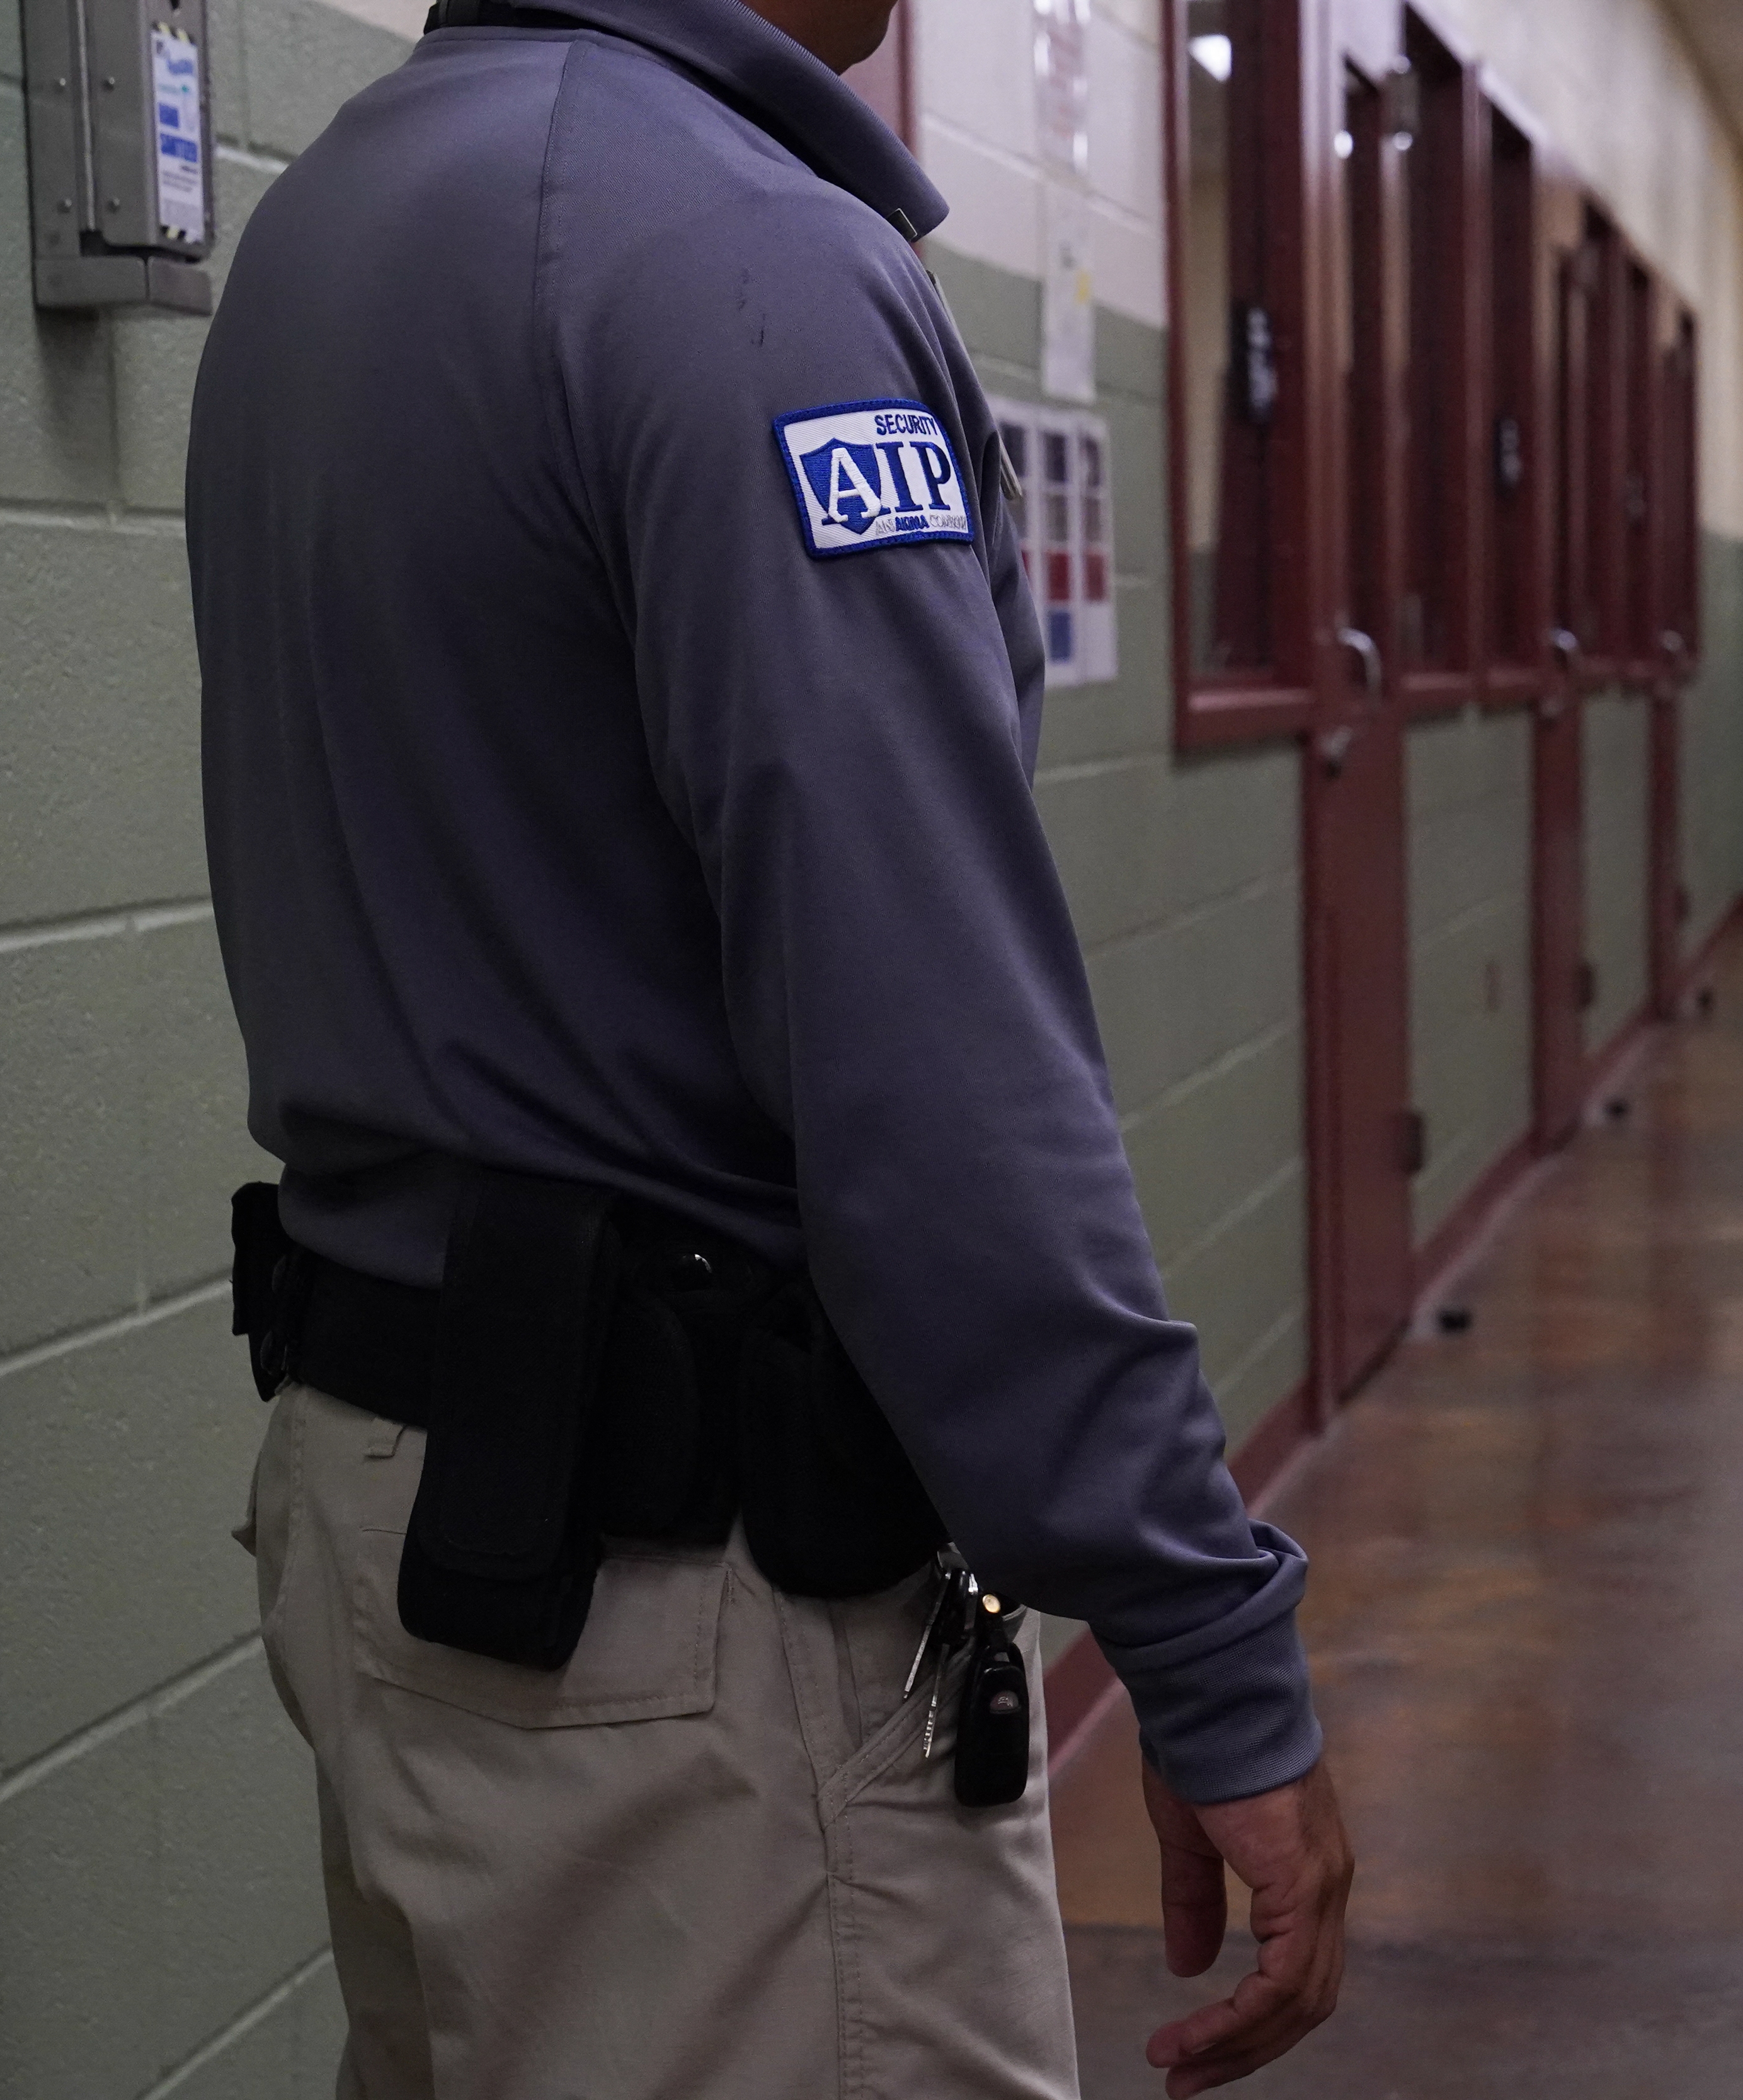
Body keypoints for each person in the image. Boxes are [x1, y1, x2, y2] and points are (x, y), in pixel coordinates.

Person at [185, 0, 1351, 2087]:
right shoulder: (747, 265)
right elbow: (931, 1062)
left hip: (398, 1518)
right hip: (679, 1618)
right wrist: (1194, 1625)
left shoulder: (338, 216)